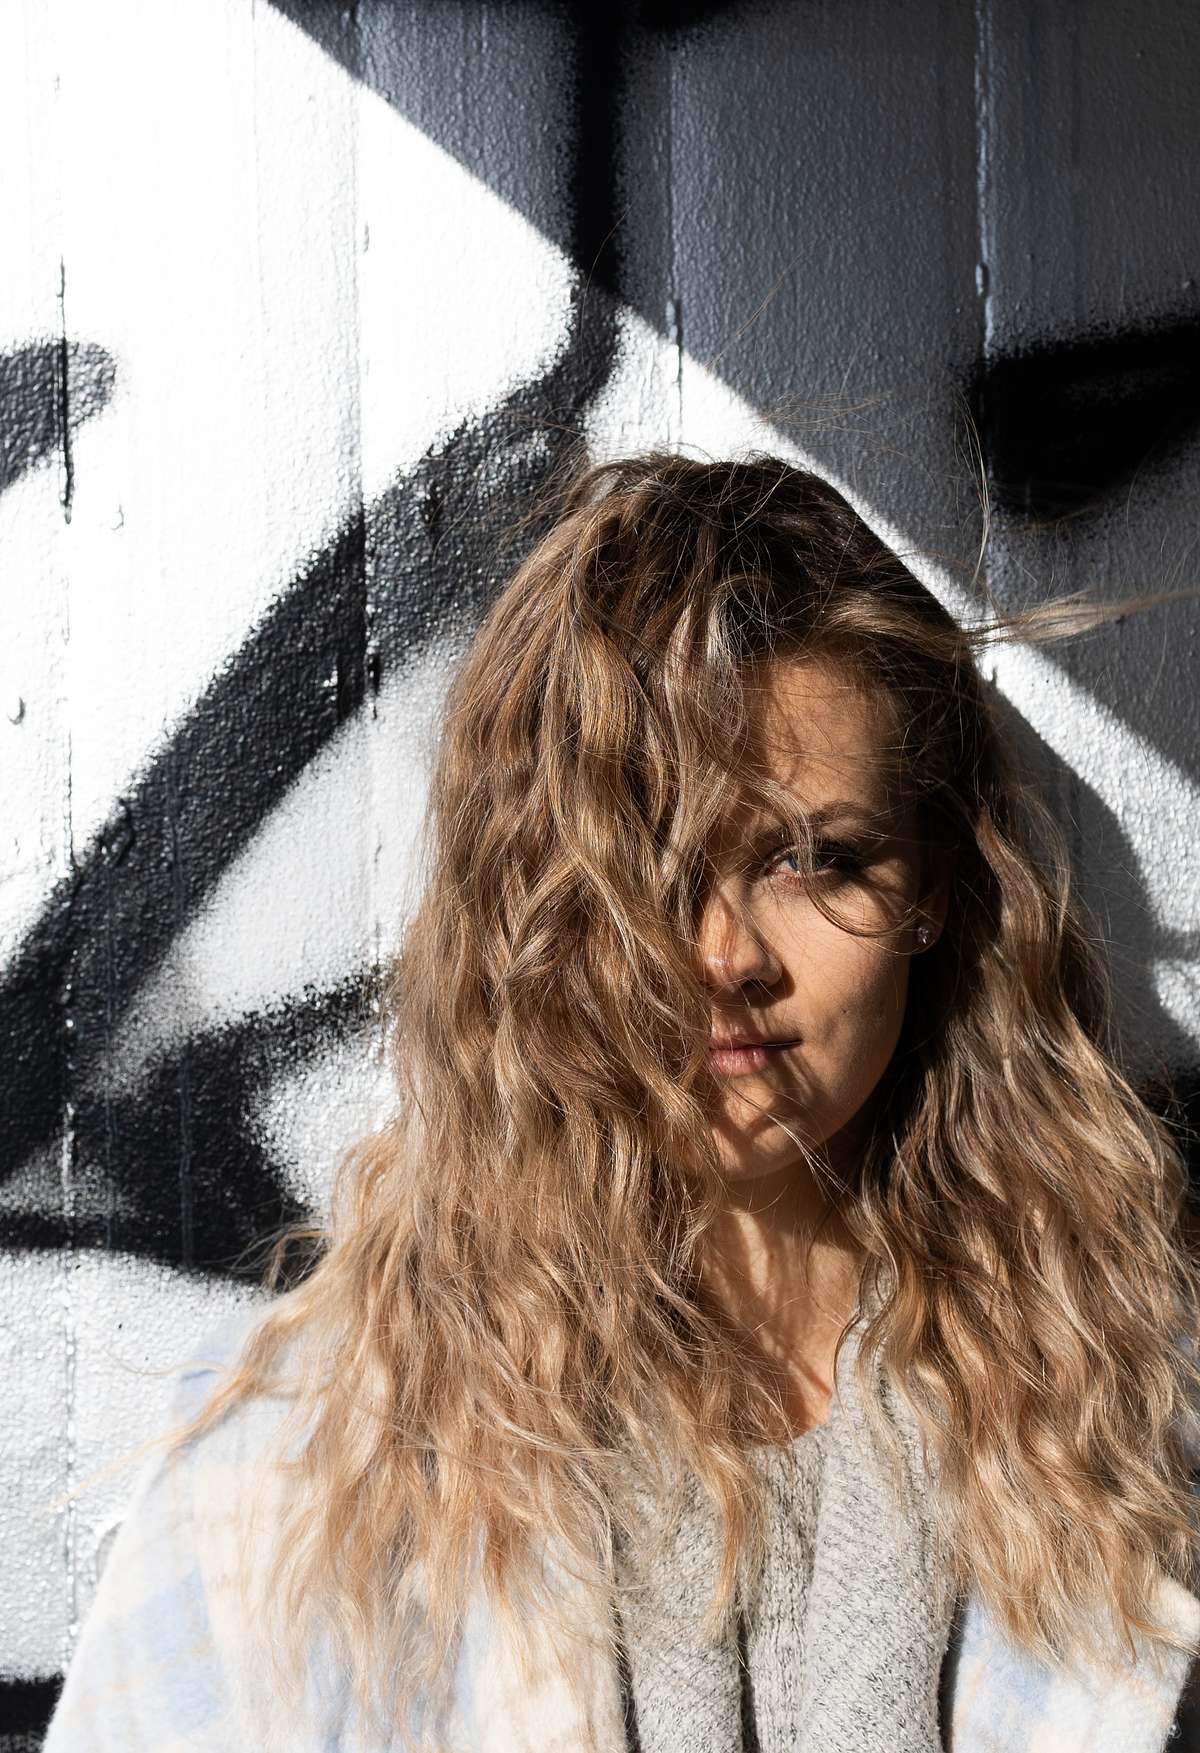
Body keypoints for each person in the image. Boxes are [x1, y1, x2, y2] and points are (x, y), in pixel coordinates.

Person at [44, 452, 1200, 1752]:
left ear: (931, 888)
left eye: (816, 859)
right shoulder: (299, 1474)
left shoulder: (1117, 1418)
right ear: (531, 905)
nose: (727, 954)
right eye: (647, 860)